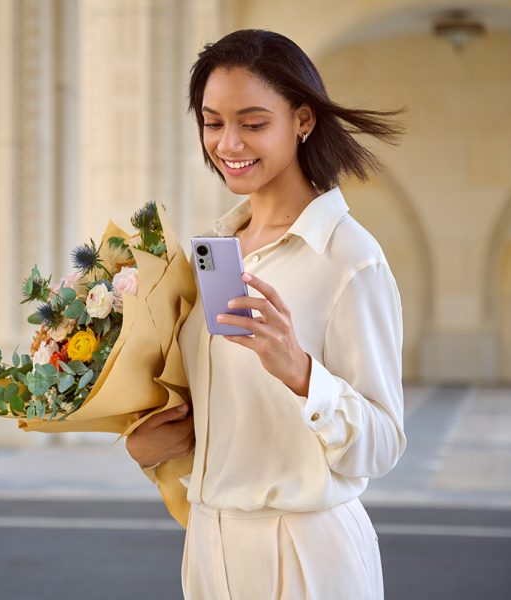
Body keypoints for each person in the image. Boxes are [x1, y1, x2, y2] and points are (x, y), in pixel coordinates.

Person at [126, 29, 407, 599]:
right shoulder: (212, 251)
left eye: (253, 123)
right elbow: (218, 413)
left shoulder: (350, 259)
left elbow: (383, 444)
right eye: (212, 122)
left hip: (307, 552)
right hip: (208, 544)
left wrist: (301, 372)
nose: (229, 143)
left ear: (302, 120)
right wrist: (147, 446)